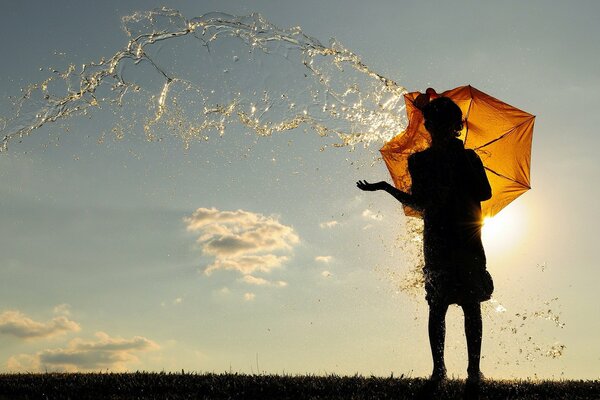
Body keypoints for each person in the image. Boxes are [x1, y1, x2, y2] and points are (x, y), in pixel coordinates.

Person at [356, 95, 493, 391]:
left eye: (446, 125)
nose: (441, 130)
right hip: (441, 238)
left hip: (466, 237)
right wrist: (386, 188)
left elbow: (484, 193)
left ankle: (473, 371)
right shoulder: (419, 161)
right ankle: (439, 370)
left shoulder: (469, 157)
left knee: (470, 305)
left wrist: (461, 167)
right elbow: (418, 203)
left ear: (455, 127)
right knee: (438, 304)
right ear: (430, 126)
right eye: (437, 125)